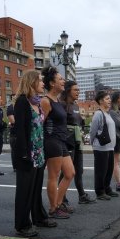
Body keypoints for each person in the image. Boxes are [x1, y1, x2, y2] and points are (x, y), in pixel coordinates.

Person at [13, 69, 57, 238]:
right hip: (27, 154)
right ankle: (22, 224)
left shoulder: (36, 102)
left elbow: (40, 128)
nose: (43, 83)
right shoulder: (22, 102)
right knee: (24, 190)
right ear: (31, 82)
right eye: (39, 80)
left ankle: (39, 217)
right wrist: (24, 154)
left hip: (38, 152)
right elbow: (20, 131)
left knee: (36, 188)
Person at [40, 66, 74, 219]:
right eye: (60, 79)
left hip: (62, 141)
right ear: (52, 83)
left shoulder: (58, 100)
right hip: (51, 140)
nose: (63, 81)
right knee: (54, 176)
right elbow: (40, 124)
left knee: (70, 173)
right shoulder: (45, 101)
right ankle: (53, 208)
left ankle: (58, 203)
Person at [59, 80, 96, 205]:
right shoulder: (62, 105)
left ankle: (82, 195)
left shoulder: (76, 106)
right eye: (75, 90)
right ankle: (61, 198)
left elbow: (80, 122)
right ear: (68, 91)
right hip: (67, 142)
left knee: (79, 170)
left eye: (79, 90)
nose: (78, 92)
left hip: (77, 141)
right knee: (66, 172)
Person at [90, 90, 117, 200]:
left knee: (109, 170)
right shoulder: (98, 114)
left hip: (110, 147)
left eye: (109, 99)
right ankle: (100, 192)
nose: (109, 100)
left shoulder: (107, 113)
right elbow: (92, 131)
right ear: (100, 101)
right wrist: (93, 144)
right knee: (101, 171)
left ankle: (107, 188)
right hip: (101, 147)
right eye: (107, 99)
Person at [7, 94, 17, 172]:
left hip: (19, 133)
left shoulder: (19, 106)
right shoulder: (10, 107)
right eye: (14, 97)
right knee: (14, 151)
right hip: (14, 133)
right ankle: (15, 167)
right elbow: (12, 121)